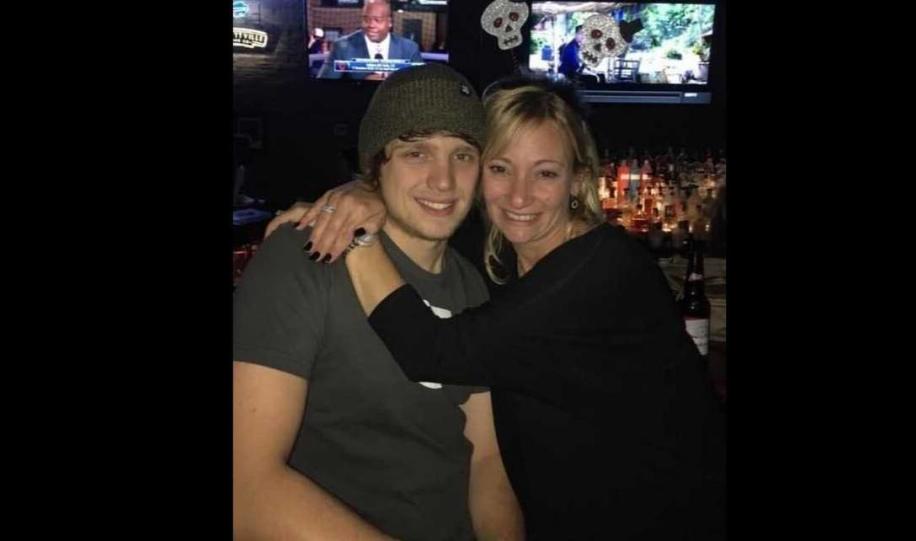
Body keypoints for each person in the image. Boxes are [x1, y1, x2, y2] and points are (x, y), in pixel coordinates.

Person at [273, 82, 726, 539]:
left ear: (580, 179)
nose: (519, 196)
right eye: (500, 168)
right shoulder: (502, 250)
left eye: (545, 173)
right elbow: (415, 200)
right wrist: (363, 193)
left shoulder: (601, 271)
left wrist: (359, 237)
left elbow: (432, 351)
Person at [234, 64, 524, 540]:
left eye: (463, 155)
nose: (444, 181)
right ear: (375, 166)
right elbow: (245, 491)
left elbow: (487, 462)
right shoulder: (305, 256)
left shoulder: (471, 283)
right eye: (416, 152)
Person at [318, 0, 423, 81]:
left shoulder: (409, 49)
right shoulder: (342, 47)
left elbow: (420, 86)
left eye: (378, 20)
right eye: (366, 19)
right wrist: (362, 85)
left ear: (389, 22)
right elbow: (325, 86)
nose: (371, 25)